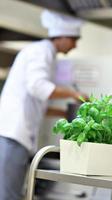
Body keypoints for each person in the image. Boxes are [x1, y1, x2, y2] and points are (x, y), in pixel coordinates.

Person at [0, 10, 86, 200]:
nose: (75, 45)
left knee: (11, 192)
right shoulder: (41, 51)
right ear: (62, 37)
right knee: (8, 195)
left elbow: (38, 102)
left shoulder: (47, 54)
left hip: (17, 135)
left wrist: (65, 114)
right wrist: (75, 94)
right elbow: (37, 87)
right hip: (12, 134)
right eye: (74, 39)